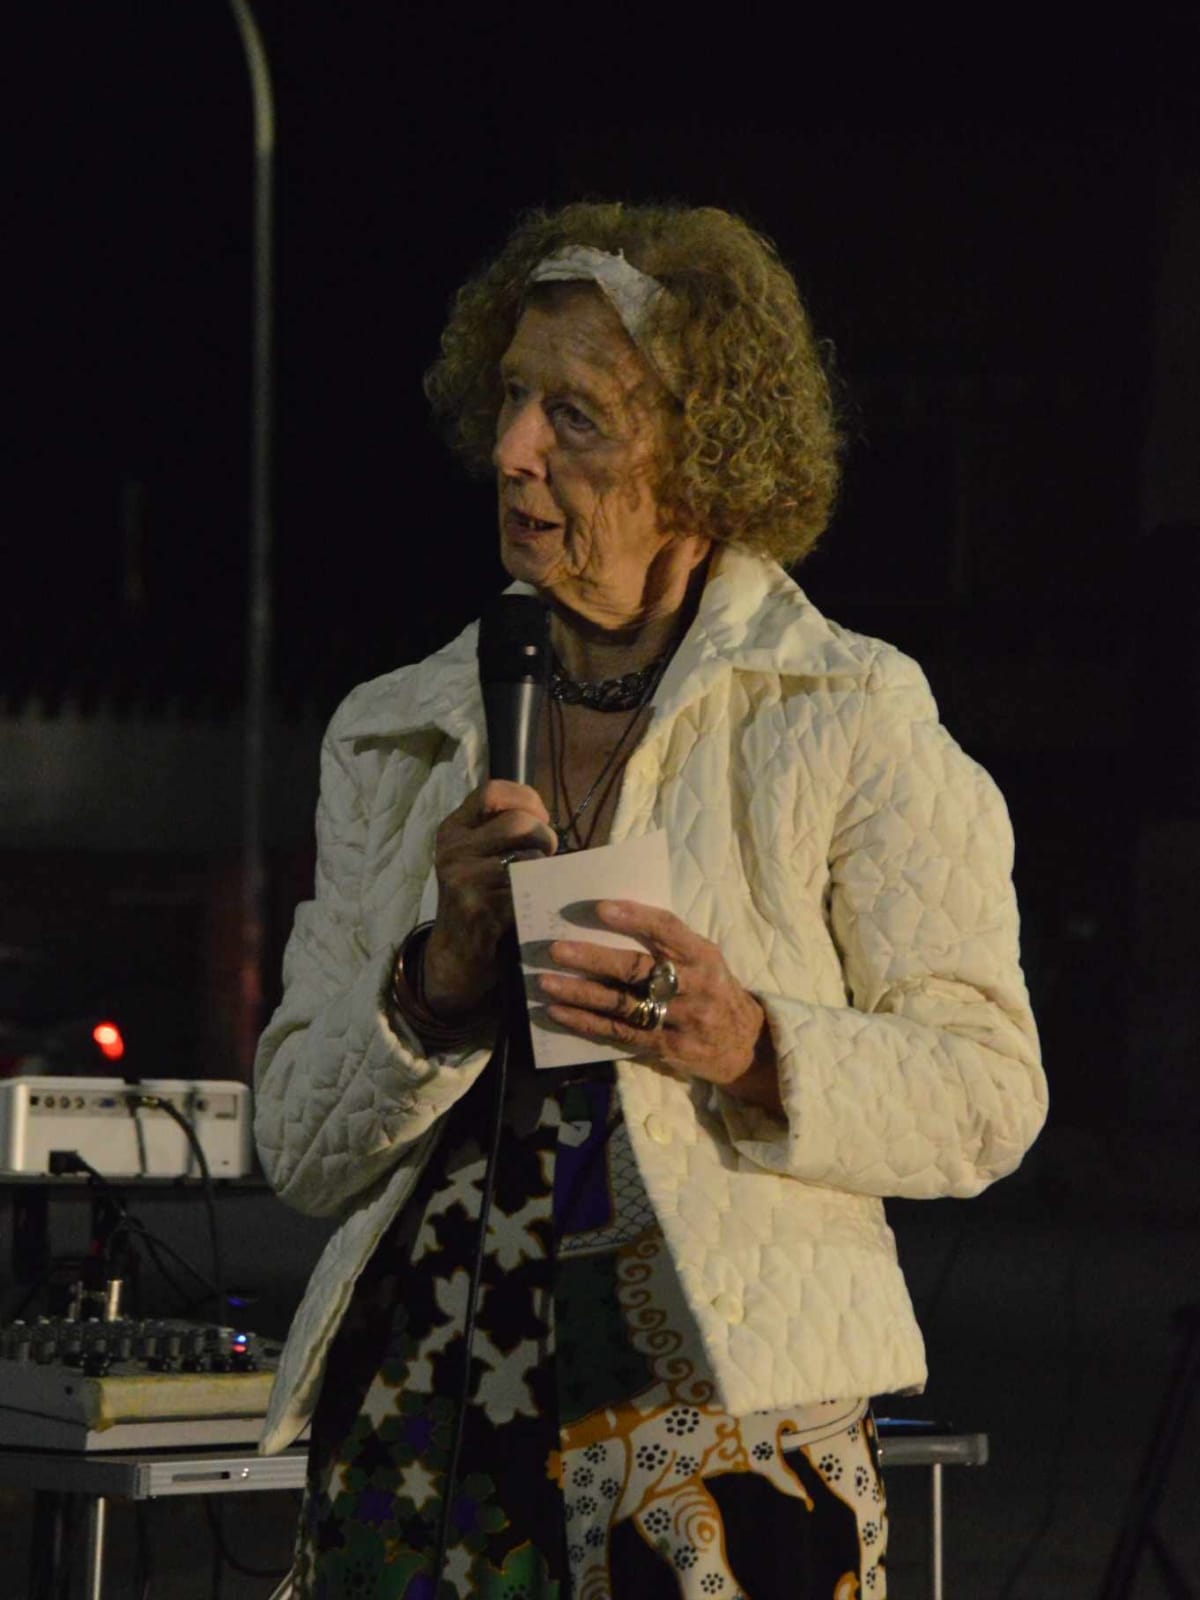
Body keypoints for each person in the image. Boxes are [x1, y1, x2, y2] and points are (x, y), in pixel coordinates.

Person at [254, 202, 1046, 1599]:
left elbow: (989, 1092)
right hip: (424, 1420)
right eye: (511, 398)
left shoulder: (847, 710)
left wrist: (752, 1043)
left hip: (722, 1433)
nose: (514, 450)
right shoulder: (395, 730)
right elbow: (299, 1151)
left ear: (704, 451)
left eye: (575, 416)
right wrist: (433, 982)